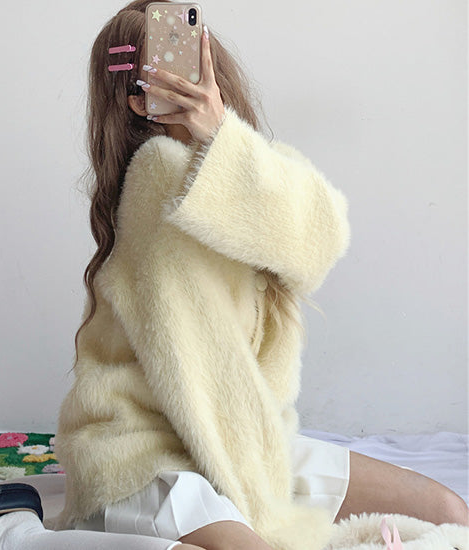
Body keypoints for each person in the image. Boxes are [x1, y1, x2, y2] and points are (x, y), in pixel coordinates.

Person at [52, 1, 469, 550]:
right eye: (165, 65)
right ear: (135, 97)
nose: (187, 74)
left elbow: (321, 242)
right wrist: (264, 515)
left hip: (247, 438)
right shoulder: (156, 178)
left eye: (193, 53)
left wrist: (218, 133)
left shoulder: (246, 163)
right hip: (144, 449)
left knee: (447, 510)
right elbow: (205, 371)